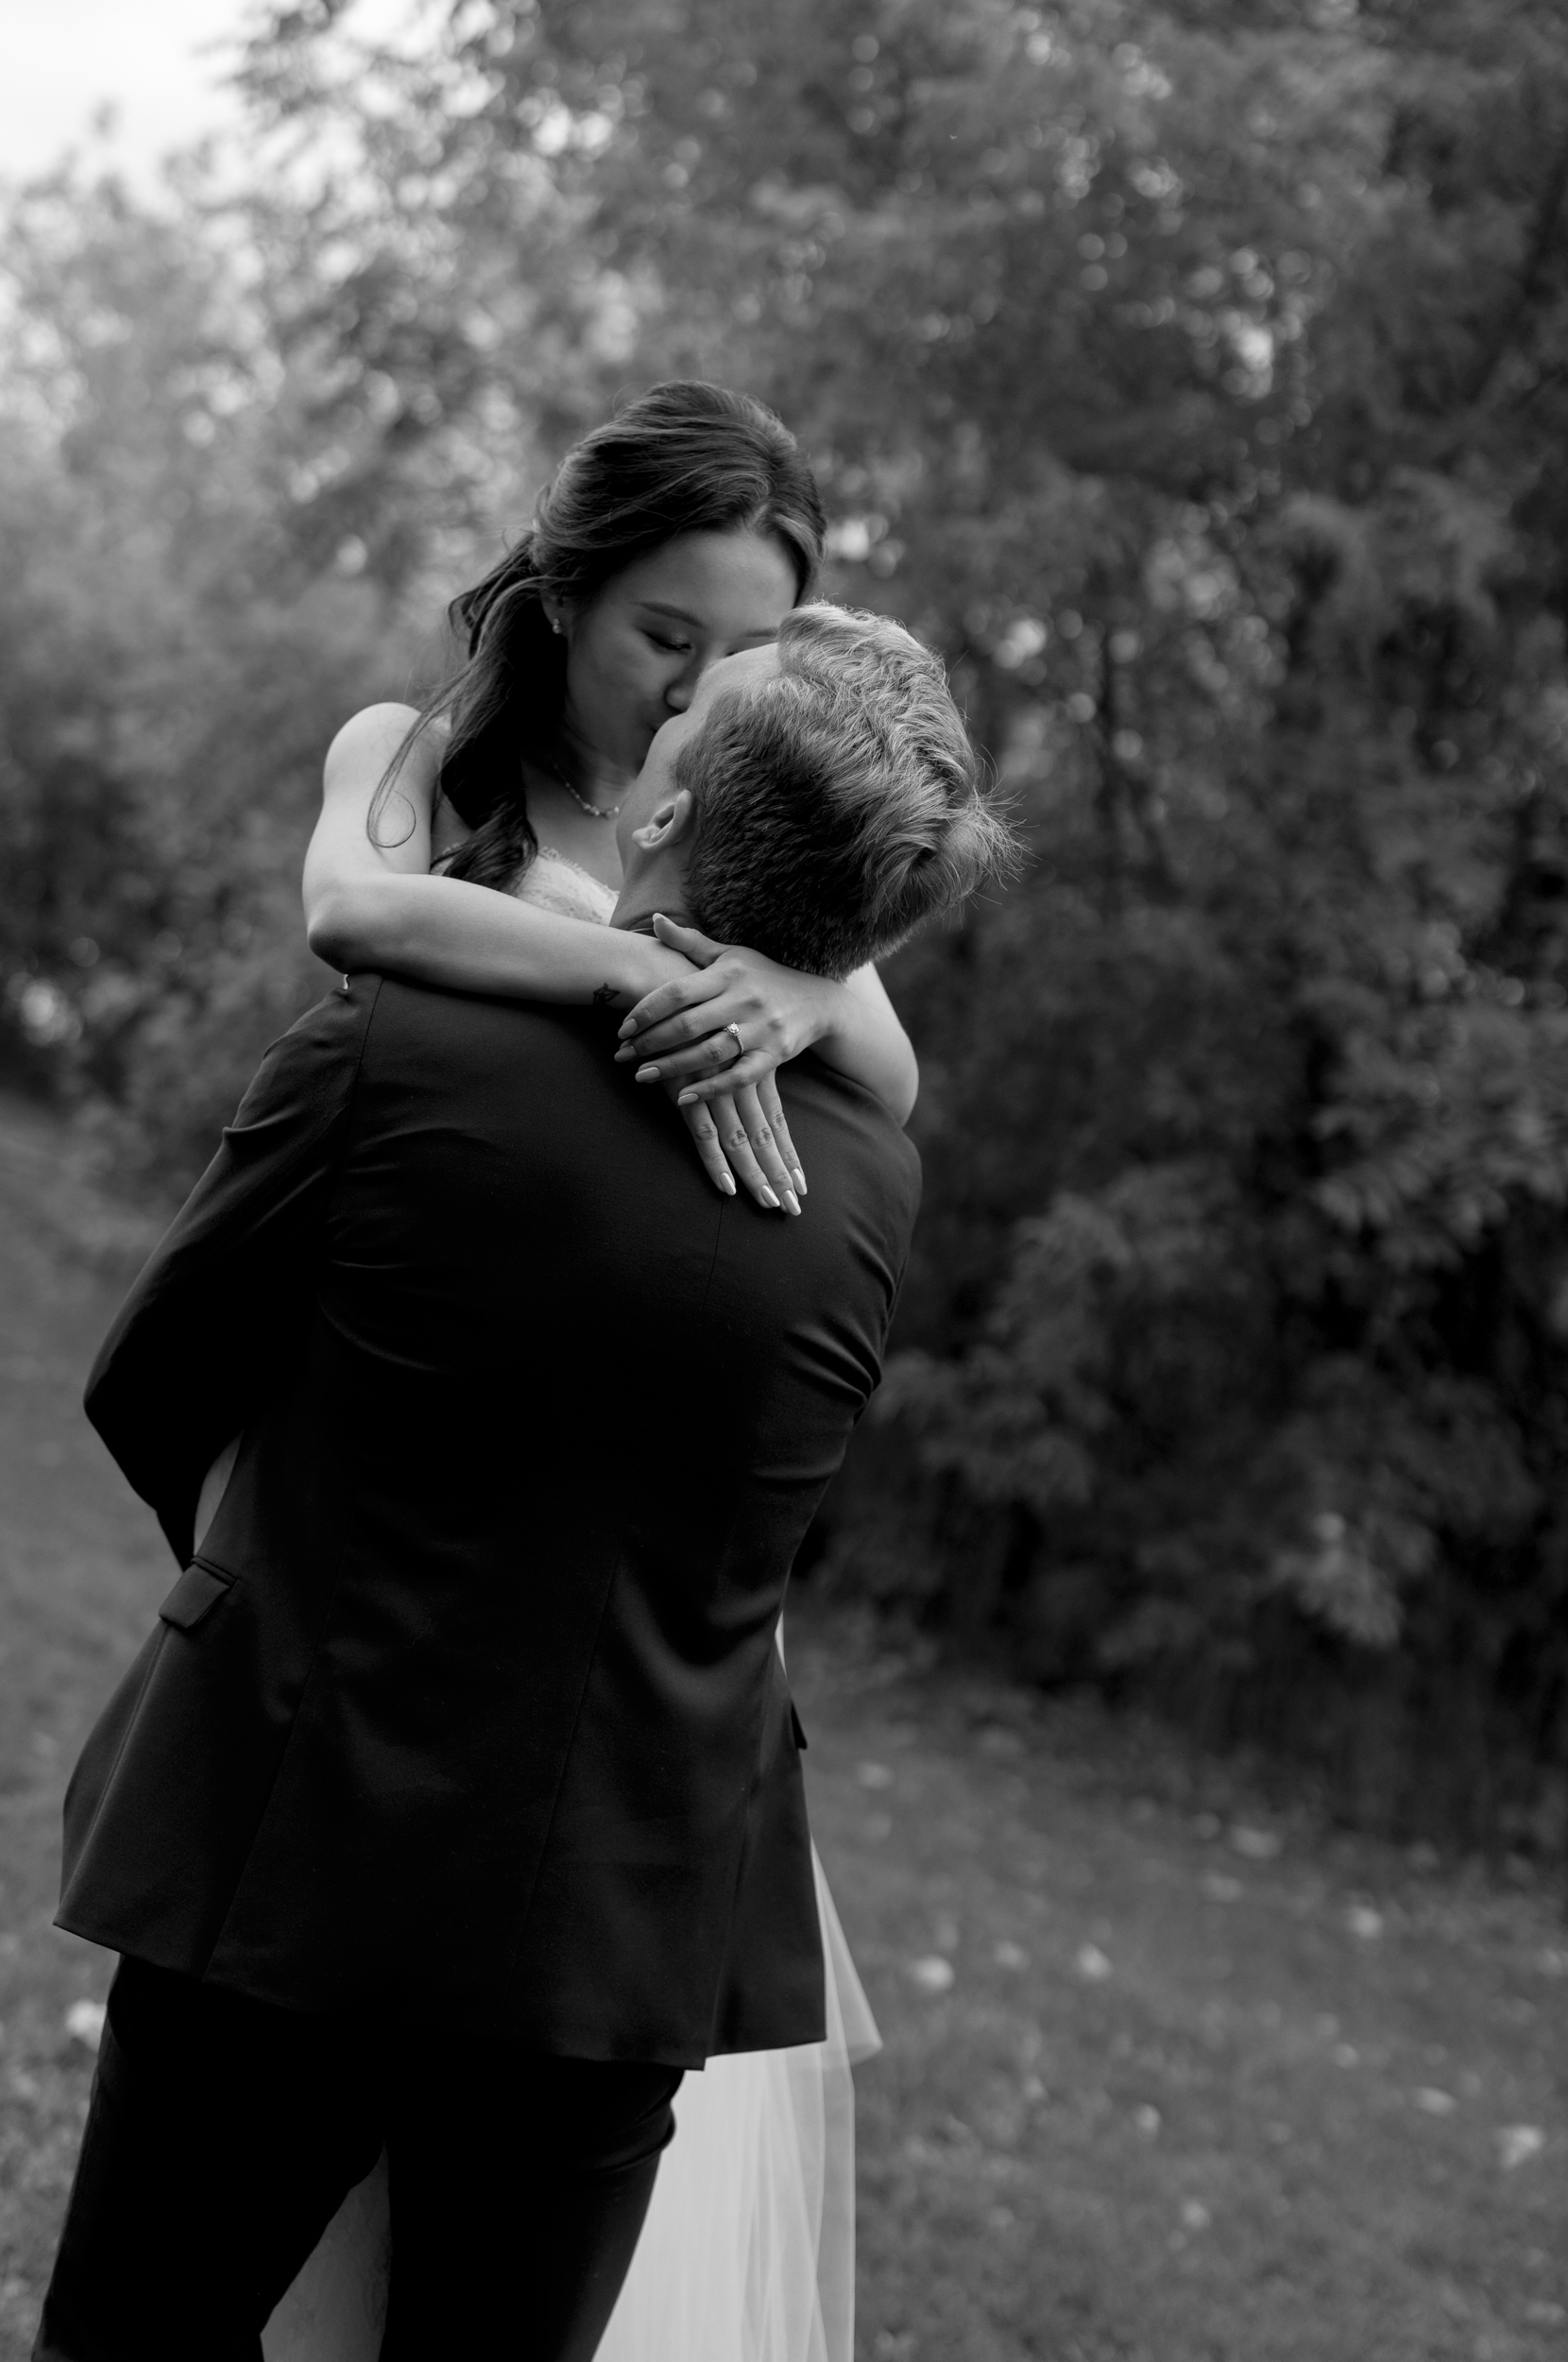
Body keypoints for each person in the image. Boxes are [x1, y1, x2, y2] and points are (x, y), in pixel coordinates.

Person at [35, 601, 1015, 2362]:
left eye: (690, 706)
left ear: (662, 807)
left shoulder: (392, 1045)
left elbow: (153, 1381)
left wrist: (283, 1572)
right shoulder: (871, 1188)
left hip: (290, 1855)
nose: (658, 706)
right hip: (621, 1938)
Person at [303, 379, 921, 1217]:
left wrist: (809, 1003)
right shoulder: (408, 754)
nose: (694, 691)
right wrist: (640, 970)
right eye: (666, 639)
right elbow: (348, 909)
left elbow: (894, 1083)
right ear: (564, 594)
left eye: (746, 655)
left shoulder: (748, 816)